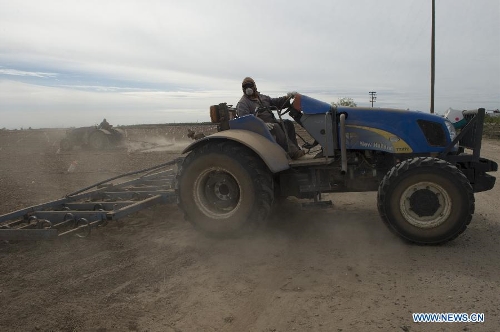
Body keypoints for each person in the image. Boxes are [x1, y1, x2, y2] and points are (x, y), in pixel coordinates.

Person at [236, 77, 305, 159]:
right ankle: (293, 152)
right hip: (258, 128)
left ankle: (294, 148)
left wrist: (287, 97)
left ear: (254, 86)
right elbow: (245, 120)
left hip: (271, 122)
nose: (248, 88)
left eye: (249, 85)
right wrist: (261, 124)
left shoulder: (262, 97)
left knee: (288, 123)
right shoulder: (243, 103)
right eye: (245, 86)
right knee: (275, 127)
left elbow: (275, 102)